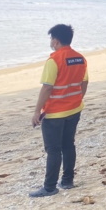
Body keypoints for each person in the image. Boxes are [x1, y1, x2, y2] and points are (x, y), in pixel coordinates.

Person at [29, 24, 88, 197]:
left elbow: (47, 88)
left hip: (55, 113)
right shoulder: (80, 58)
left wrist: (36, 111)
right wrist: (77, 98)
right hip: (74, 109)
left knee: (53, 150)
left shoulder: (54, 60)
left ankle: (49, 187)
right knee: (68, 144)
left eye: (51, 39)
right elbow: (84, 82)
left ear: (55, 41)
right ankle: (68, 181)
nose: (50, 42)